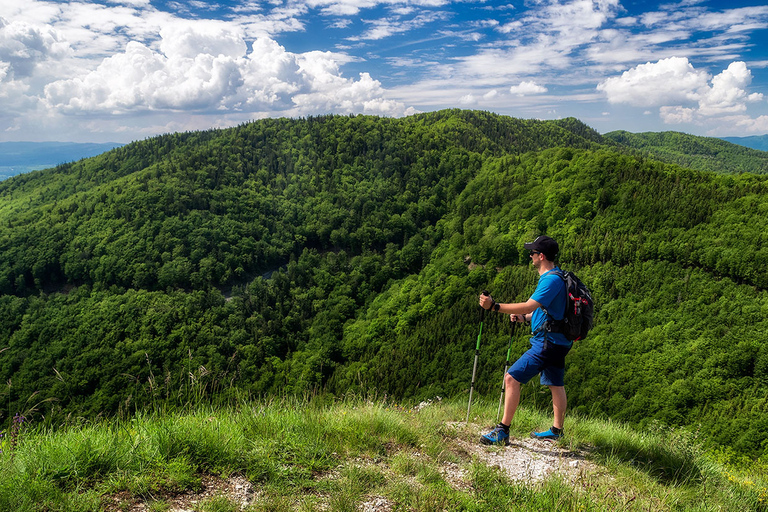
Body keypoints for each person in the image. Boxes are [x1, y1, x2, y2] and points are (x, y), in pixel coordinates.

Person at [477, 235, 571, 445]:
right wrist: (525, 319)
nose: (530, 256)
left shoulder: (551, 279)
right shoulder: (559, 277)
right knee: (556, 383)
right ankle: (557, 431)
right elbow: (546, 310)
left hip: (547, 342)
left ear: (542, 256)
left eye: (533, 253)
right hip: (559, 340)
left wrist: (494, 306)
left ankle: (503, 431)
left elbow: (530, 305)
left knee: (511, 378)